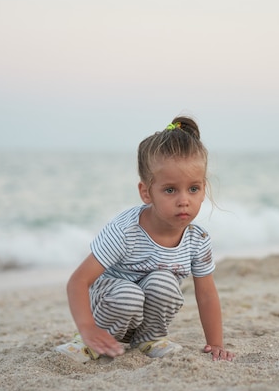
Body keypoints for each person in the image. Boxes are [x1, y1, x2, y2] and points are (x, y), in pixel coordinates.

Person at [56, 116, 234, 362]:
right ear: (146, 192)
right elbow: (78, 281)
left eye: (193, 188)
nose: (184, 200)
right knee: (129, 293)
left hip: (145, 315)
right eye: (170, 190)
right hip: (111, 305)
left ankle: (148, 339)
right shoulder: (126, 230)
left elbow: (206, 294)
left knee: (164, 282)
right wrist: (87, 328)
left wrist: (215, 343)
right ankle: (92, 342)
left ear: (203, 188)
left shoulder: (197, 240)